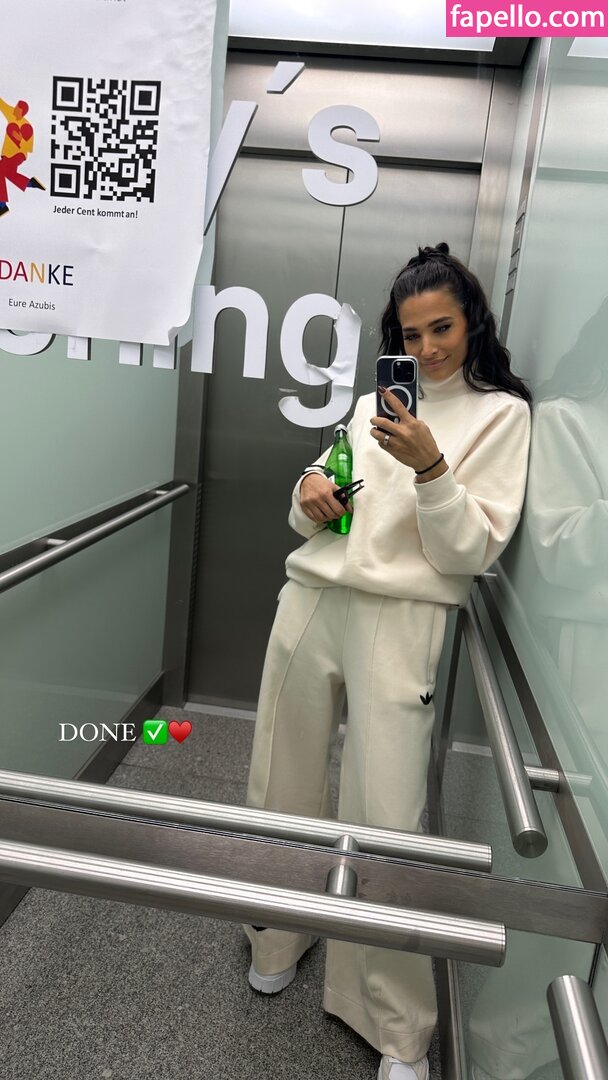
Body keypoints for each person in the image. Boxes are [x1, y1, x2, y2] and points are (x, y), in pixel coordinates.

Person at [243, 243, 532, 1080]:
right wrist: (309, 490)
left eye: (442, 327)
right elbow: (332, 494)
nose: (429, 347)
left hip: (404, 618)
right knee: (280, 776)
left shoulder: (502, 417)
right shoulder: (375, 401)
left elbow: (470, 550)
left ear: (473, 322)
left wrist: (431, 466)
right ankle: (277, 934)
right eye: (412, 333)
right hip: (312, 598)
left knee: (388, 816)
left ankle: (396, 1024)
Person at [0, 98, 45, 218]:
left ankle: (2, 205)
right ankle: (30, 183)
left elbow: (29, 148)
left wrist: (19, 139)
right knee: (9, 174)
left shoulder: (27, 126)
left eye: (17, 108)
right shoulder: (11, 114)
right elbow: (2, 104)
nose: (14, 109)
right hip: (7, 155)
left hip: (18, 155)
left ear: (21, 111)